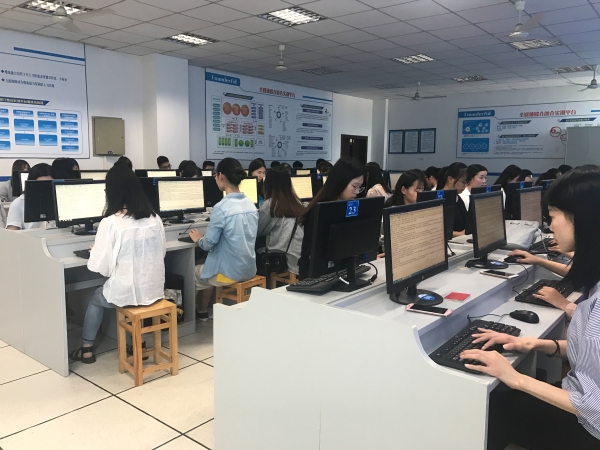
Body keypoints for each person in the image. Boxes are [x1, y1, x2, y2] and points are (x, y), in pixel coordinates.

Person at [463, 167, 600, 450]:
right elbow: (591, 353)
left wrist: (516, 378)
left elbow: (594, 409)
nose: (550, 226)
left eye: (553, 216)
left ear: (582, 220)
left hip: (590, 429)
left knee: (488, 411)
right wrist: (535, 344)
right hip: (580, 402)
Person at [69, 164, 166, 364]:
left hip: (126, 293)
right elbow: (161, 252)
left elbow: (101, 268)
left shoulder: (111, 222)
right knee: (128, 290)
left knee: (96, 297)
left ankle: (87, 349)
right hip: (153, 290)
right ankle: (138, 343)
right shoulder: (155, 218)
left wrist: (95, 251)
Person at [189, 158, 258, 321]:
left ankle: (188, 321)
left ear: (221, 176)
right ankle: (203, 312)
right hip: (249, 268)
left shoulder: (221, 208)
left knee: (190, 273)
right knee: (207, 266)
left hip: (229, 273)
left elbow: (207, 245)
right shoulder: (251, 204)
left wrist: (198, 239)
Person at [298, 157, 364, 280]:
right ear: (341, 183)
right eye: (354, 186)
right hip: (317, 276)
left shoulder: (346, 207)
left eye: (360, 187)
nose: (357, 191)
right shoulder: (320, 211)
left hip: (339, 271)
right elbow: (319, 253)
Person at [256, 166, 304, 276]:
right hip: (298, 256)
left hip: (282, 260)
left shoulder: (270, 205)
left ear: (268, 184)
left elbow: (257, 231)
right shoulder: (297, 202)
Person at [6, 163, 53, 231]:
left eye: (48, 185)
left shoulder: (57, 201)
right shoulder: (18, 204)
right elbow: (11, 232)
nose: (44, 189)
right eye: (40, 185)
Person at [438, 162, 468, 237]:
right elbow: (436, 230)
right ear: (451, 179)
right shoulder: (439, 199)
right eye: (463, 182)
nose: (465, 185)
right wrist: (460, 234)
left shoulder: (458, 197)